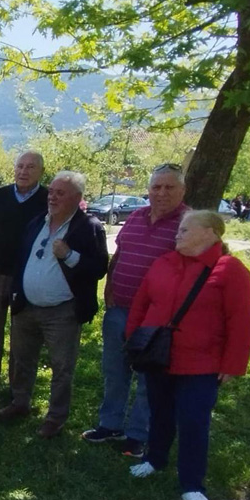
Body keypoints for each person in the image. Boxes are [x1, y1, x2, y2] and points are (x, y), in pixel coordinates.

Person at [127, 210, 250, 500]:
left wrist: (233, 364)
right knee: (159, 411)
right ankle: (155, 459)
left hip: (201, 363)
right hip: (159, 356)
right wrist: (132, 342)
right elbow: (142, 304)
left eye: (186, 229)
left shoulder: (229, 270)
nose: (178, 233)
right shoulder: (164, 262)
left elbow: (240, 321)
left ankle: (193, 486)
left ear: (211, 233)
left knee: (194, 421)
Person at [81, 164, 188, 456]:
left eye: (169, 187)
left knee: (148, 375)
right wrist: (110, 286)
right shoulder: (137, 216)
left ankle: (138, 434)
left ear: (182, 190)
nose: (162, 193)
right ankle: (110, 424)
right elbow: (122, 253)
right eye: (156, 187)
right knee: (114, 370)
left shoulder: (188, 223)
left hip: (158, 317)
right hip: (120, 308)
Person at [0, 171, 108, 438]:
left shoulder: (88, 227)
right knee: (21, 359)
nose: (53, 197)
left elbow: (99, 268)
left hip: (63, 310)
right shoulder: (38, 222)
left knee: (61, 366)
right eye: (52, 192)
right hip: (27, 305)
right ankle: (19, 402)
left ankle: (55, 418)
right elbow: (22, 259)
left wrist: (69, 256)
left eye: (60, 193)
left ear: (77, 198)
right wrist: (16, 292)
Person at [0, 151, 49, 393]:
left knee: (21, 334)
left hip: (26, 277)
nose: (24, 171)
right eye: (20, 166)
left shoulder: (47, 199)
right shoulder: (0, 195)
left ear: (41, 172)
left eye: (30, 167)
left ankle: (17, 386)